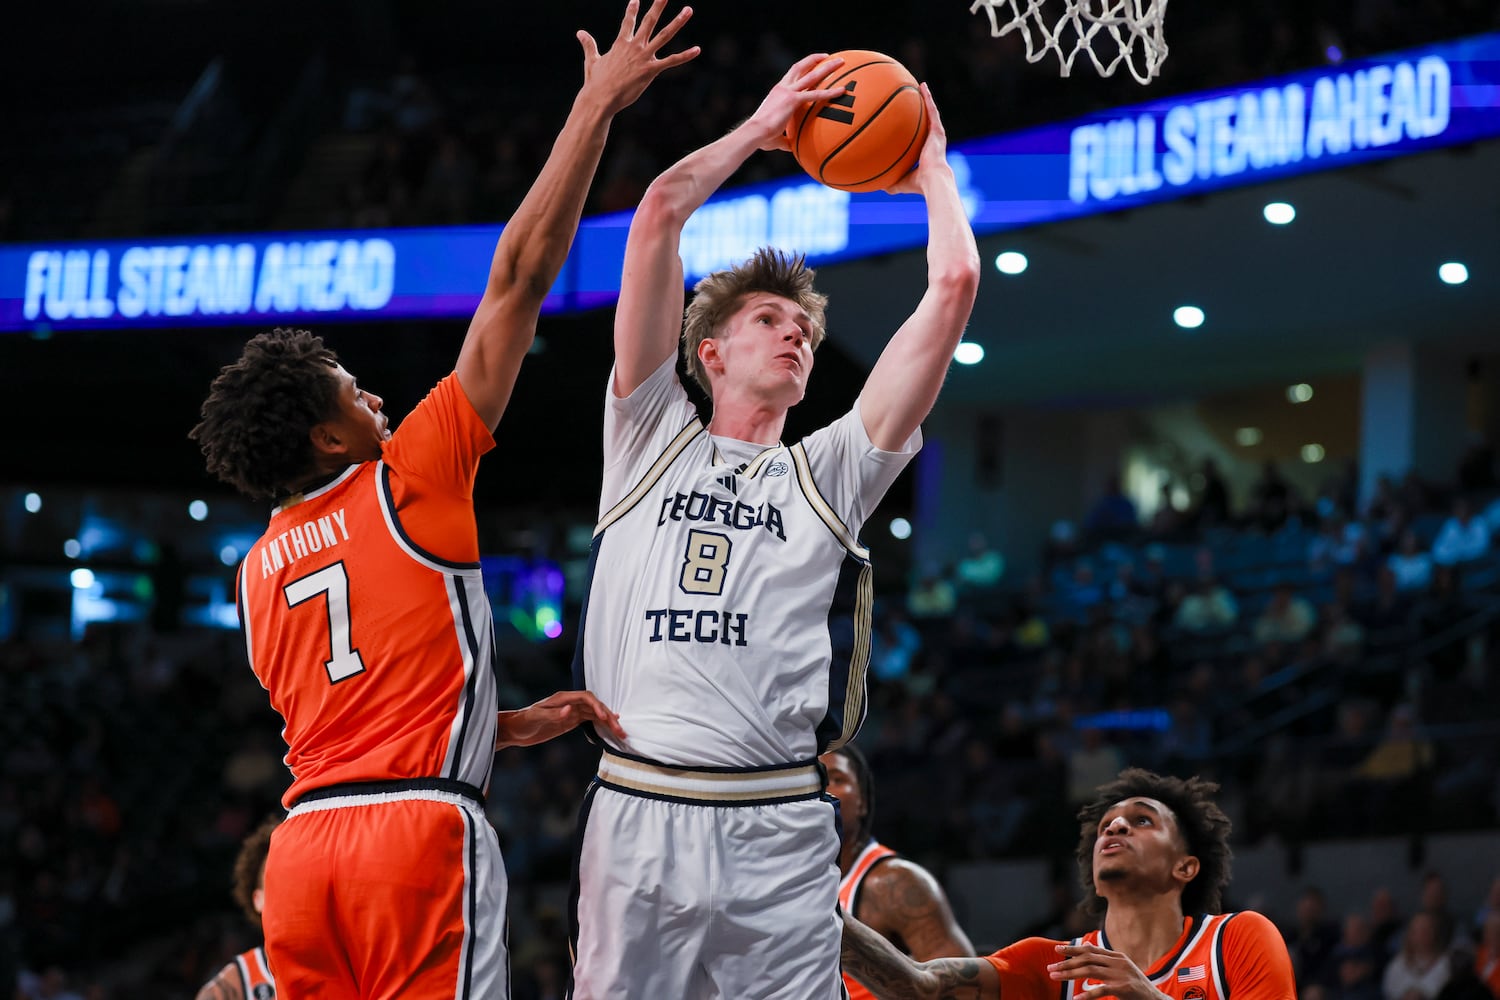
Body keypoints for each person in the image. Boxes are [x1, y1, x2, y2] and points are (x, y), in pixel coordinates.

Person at [189, 5, 698, 997]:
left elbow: (357, 707)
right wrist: (593, 108)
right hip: (415, 836)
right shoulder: (409, 473)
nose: (374, 393)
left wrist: (497, 724)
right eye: (349, 387)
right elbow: (516, 276)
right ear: (330, 436)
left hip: (301, 854)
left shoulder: (254, 570)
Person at [568, 52, 980, 999]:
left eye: (805, 327)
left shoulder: (829, 470)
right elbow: (661, 212)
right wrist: (763, 126)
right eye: (768, 318)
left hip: (780, 826)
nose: (795, 332)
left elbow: (952, 285)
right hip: (643, 808)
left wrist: (928, 163)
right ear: (709, 352)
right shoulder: (646, 435)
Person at [839, 768, 1297, 1000]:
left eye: (1141, 820)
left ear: (1186, 867)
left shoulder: (1236, 940)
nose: (1115, 829)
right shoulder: (1052, 967)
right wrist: (814, 911)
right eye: (1107, 826)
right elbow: (920, 987)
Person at [821, 744, 975, 1000]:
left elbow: (964, 992)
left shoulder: (895, 882)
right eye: (817, 781)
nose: (824, 791)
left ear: (863, 802)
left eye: (837, 779)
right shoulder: (787, 883)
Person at [196, 815, 282, 1000]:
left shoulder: (346, 965)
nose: (289, 891)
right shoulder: (229, 989)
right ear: (258, 899)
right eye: (278, 882)